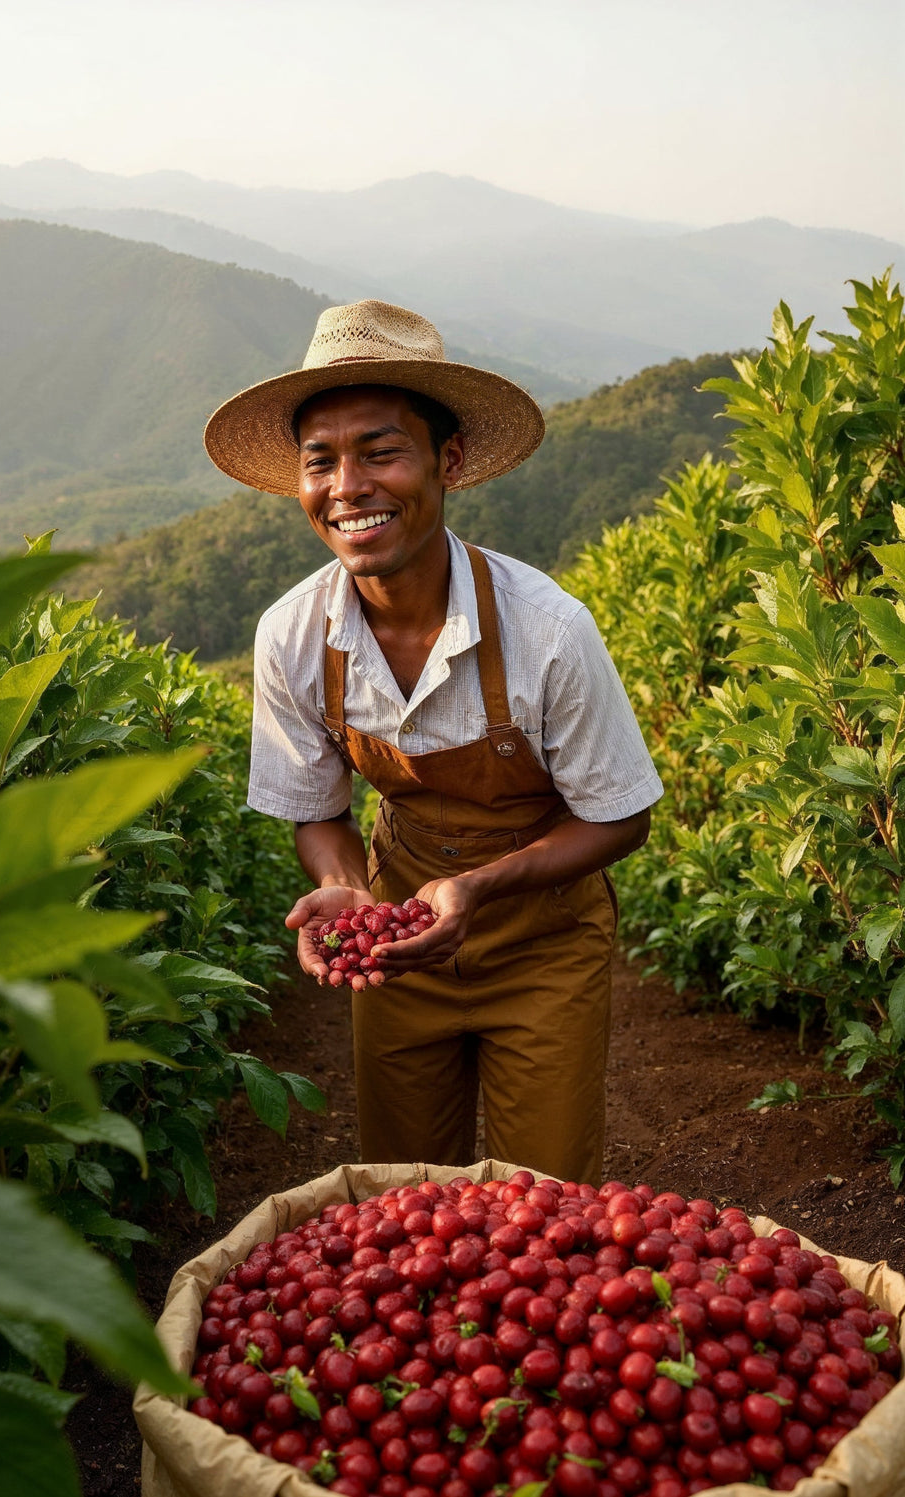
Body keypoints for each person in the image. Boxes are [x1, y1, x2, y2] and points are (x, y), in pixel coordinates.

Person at [204, 299, 663, 1183]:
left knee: (548, 1204)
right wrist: (351, 895)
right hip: (398, 945)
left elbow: (620, 819)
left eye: (381, 452)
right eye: (321, 461)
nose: (348, 487)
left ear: (447, 461)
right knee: (402, 1195)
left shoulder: (548, 631)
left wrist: (474, 888)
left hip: (543, 942)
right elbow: (319, 812)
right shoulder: (293, 637)